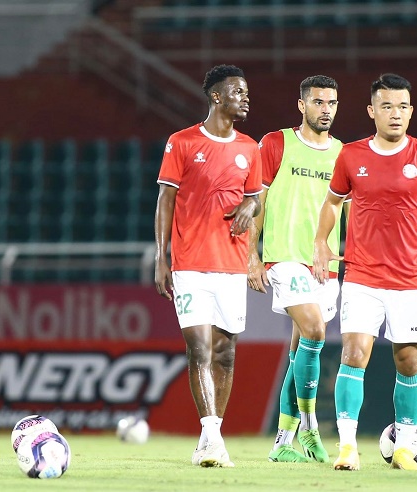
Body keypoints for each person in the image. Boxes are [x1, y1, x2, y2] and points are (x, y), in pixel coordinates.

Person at [313, 73, 417, 472]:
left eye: (403, 107)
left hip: (411, 281)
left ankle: (404, 447)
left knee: (409, 360)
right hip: (362, 276)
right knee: (353, 353)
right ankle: (347, 447)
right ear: (371, 111)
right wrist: (321, 241)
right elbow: (332, 202)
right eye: (387, 106)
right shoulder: (351, 155)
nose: (396, 114)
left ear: (411, 112)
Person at [154, 64, 262, 468]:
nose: (246, 98)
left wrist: (251, 206)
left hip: (231, 264)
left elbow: (255, 198)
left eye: (246, 92)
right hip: (190, 264)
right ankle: (212, 437)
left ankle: (210, 437)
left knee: (225, 353)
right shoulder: (182, 142)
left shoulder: (250, 148)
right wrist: (161, 256)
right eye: (238, 91)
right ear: (217, 96)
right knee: (198, 348)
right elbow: (165, 200)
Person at [247, 75, 349, 463]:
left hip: (323, 264)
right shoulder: (276, 143)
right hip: (285, 256)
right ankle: (310, 427)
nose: (326, 109)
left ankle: (282, 443)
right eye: (318, 102)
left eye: (332, 103)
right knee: (315, 329)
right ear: (302, 105)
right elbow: (256, 202)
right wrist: (251, 255)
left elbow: (352, 212)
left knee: (301, 351)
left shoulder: (342, 153)